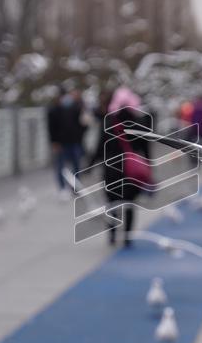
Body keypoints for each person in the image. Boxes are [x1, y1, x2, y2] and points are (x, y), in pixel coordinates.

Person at [87, 87, 152, 247]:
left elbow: (99, 146)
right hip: (131, 170)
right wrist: (148, 166)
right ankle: (128, 237)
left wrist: (89, 165)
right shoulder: (139, 122)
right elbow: (145, 148)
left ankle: (112, 235)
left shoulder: (109, 121)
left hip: (111, 169)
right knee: (129, 203)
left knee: (112, 203)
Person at [47, 87, 87, 199]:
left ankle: (75, 187)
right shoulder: (53, 110)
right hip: (60, 143)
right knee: (61, 166)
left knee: (76, 165)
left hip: (75, 142)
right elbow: (51, 128)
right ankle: (62, 188)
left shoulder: (75, 108)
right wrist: (54, 142)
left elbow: (83, 124)